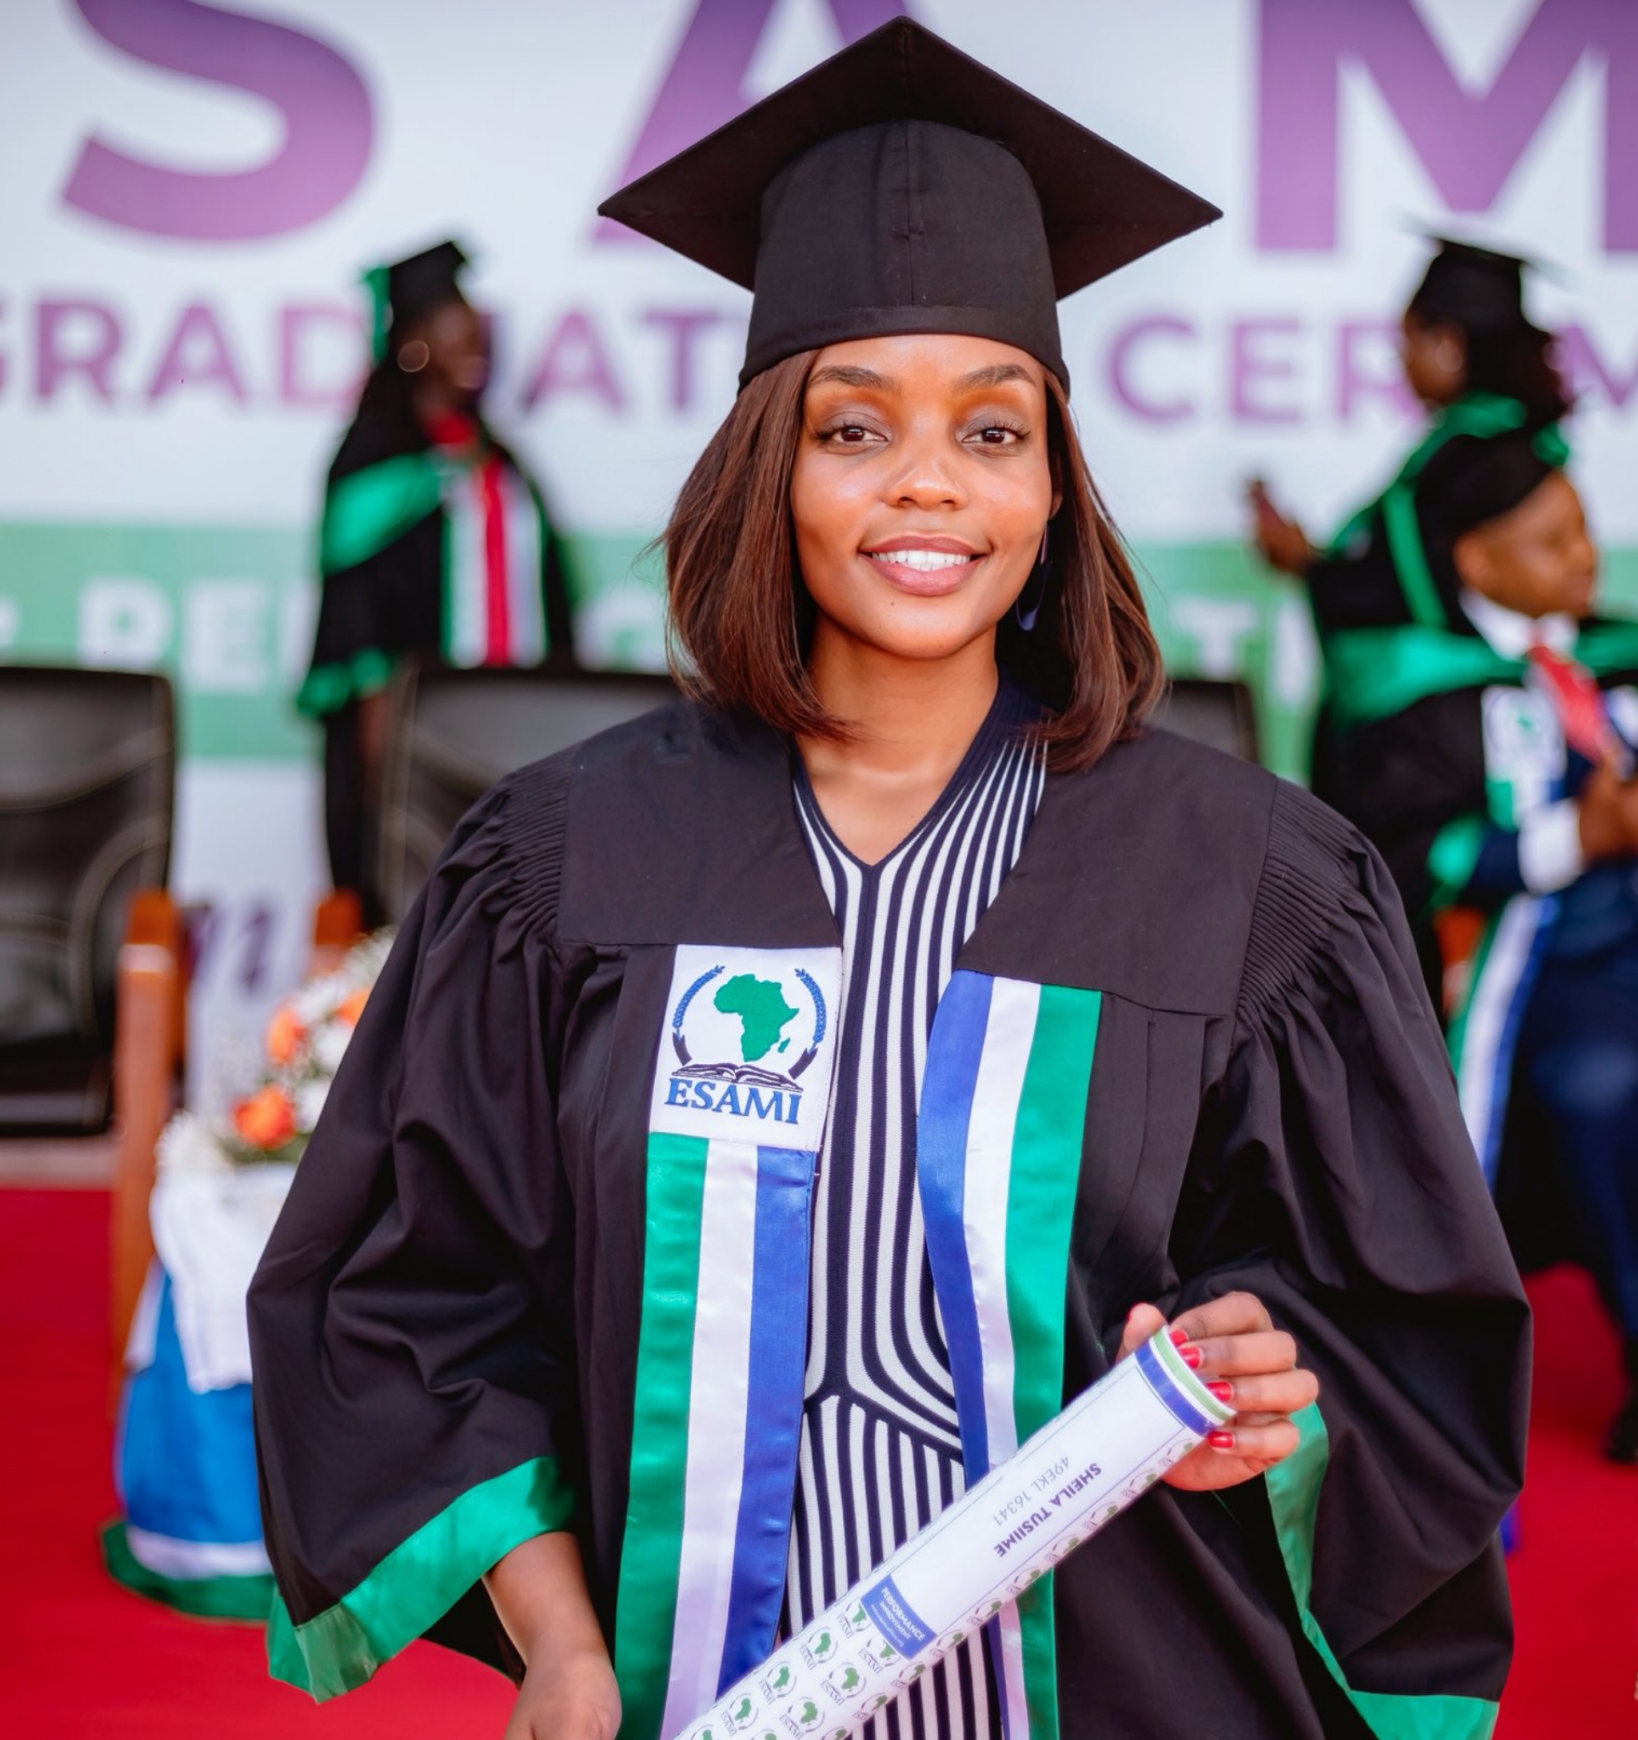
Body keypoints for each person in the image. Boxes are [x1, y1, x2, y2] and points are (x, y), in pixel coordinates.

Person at [250, 22, 1528, 1740]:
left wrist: (1268, 1387)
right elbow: (418, 1308)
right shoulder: (562, 868)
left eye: (992, 430)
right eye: (853, 426)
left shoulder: (1254, 890)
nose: (928, 478)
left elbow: (1391, 1332)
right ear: (768, 470)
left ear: (1054, 487)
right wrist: (559, 1647)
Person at [1330, 426, 1638, 1461]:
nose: (1585, 558)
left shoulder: (1617, 653)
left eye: (1584, 529)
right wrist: (1579, 835)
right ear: (1476, 558)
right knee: (1602, 1079)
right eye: (1553, 541)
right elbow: (1400, 857)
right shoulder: (1415, 694)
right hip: (1520, 972)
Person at [297, 240, 577, 918]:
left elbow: (551, 594)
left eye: (477, 333)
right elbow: (356, 617)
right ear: (413, 343)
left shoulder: (497, 457)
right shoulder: (371, 462)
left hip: (513, 738)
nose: (474, 345)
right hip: (413, 742)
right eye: (456, 331)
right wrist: (382, 759)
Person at [1248, 239, 1574, 798]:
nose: (1400, 361)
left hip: (1442, 732)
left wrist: (1308, 567)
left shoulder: (1466, 457)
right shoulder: (1524, 442)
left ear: (1447, 344)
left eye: (1407, 342)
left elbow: (1413, 594)